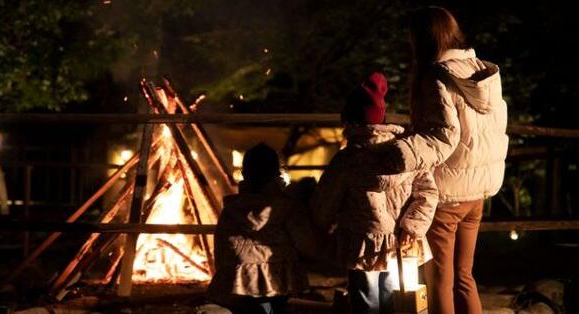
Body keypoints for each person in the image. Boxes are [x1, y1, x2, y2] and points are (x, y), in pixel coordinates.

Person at [378, 7, 509, 314]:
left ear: (423, 39)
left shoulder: (437, 76)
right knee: (464, 277)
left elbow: (442, 137)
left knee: (440, 279)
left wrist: (402, 151)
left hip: (447, 193)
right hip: (478, 192)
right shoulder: (483, 71)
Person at [311, 72, 438, 314]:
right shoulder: (406, 153)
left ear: (349, 121)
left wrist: (320, 225)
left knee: (365, 302)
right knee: (396, 302)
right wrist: (412, 227)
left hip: (362, 243)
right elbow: (428, 192)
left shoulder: (347, 160)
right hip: (401, 241)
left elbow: (324, 202)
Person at [207, 143, 308, 314]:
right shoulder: (284, 207)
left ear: (245, 173)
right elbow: (304, 241)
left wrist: (226, 272)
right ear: (277, 173)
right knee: (271, 307)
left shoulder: (232, 208)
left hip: (238, 279)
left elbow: (220, 246)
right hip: (275, 278)